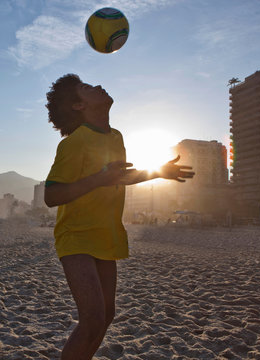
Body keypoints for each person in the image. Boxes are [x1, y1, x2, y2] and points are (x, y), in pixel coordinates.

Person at [43, 74, 194, 359]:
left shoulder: (116, 137)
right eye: (86, 88)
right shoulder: (74, 143)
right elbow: (52, 195)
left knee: (106, 316)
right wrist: (98, 179)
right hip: (76, 236)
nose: (98, 86)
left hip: (106, 235)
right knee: (92, 319)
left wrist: (158, 171)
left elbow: (118, 177)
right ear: (78, 106)